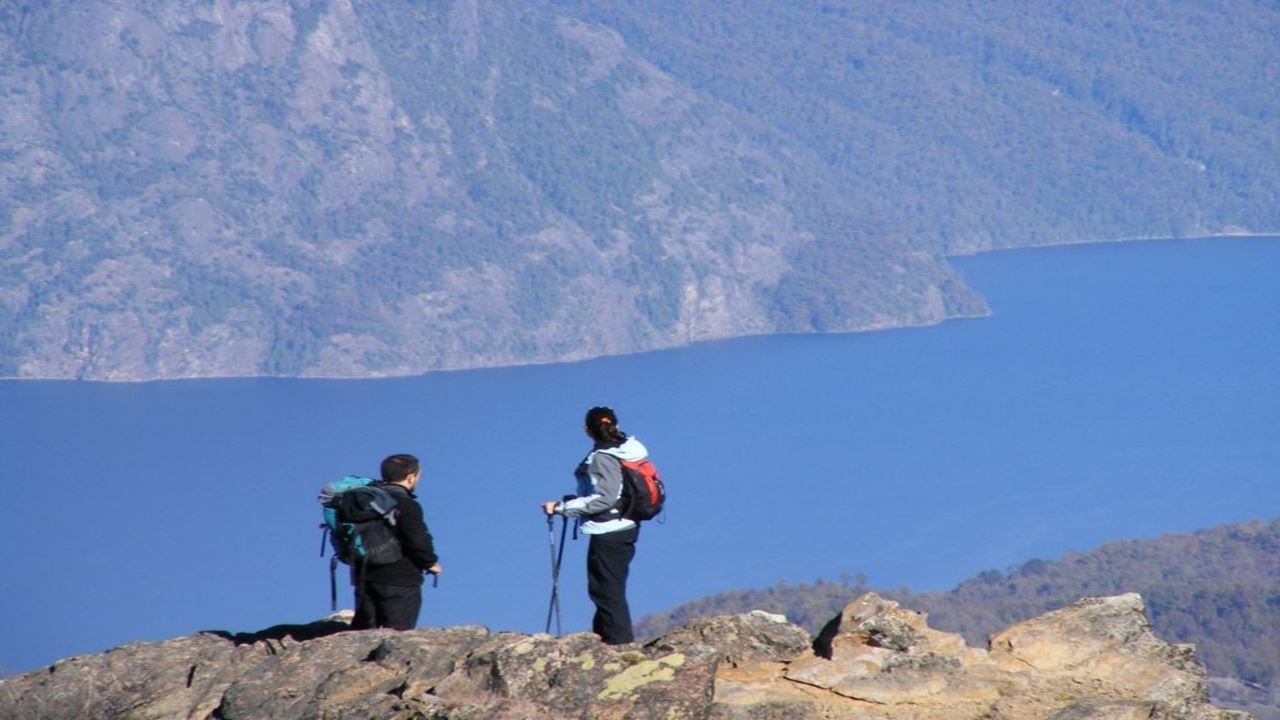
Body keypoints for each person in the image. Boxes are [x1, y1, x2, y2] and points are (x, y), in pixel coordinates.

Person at [542, 406, 647, 644]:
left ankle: (618, 647)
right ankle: (604, 641)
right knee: (607, 588)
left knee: (607, 592)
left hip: (608, 531)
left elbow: (605, 497)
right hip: (627, 524)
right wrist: (576, 501)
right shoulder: (625, 449)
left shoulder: (602, 457)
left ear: (587, 430)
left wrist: (562, 508)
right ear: (615, 425)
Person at [351, 453, 442, 631]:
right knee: (397, 635)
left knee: (363, 633)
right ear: (410, 477)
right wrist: (430, 563)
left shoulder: (366, 501)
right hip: (400, 579)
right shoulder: (406, 504)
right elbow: (416, 539)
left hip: (364, 574)